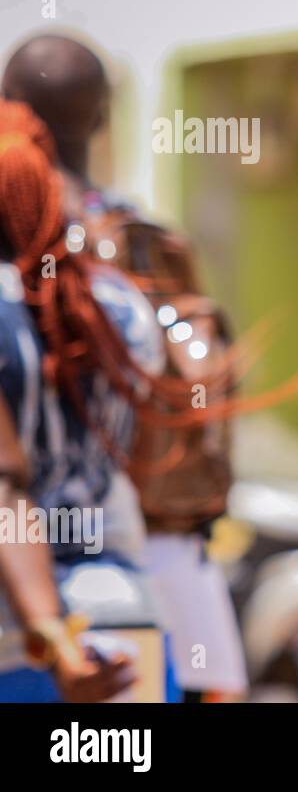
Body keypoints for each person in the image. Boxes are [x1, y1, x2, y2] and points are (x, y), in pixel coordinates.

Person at [2, 34, 248, 701]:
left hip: (30, 603)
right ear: (103, 117)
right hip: (143, 568)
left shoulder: (20, 247)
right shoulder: (140, 247)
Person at [0, 100, 161, 700]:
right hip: (126, 625)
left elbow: (5, 490)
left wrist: (53, 639)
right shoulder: (121, 306)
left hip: (28, 645)